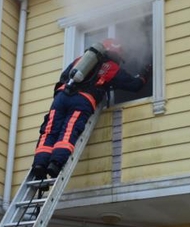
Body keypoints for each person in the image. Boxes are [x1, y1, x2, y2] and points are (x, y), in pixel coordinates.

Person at [32, 38, 151, 180]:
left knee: (50, 130)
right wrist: (145, 74)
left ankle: (39, 164)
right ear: (117, 55)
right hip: (82, 100)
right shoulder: (111, 68)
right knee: (69, 130)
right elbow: (134, 85)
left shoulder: (80, 60)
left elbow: (64, 76)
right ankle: (56, 163)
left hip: (61, 97)